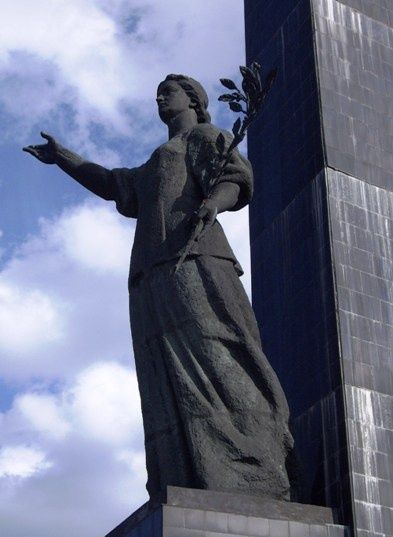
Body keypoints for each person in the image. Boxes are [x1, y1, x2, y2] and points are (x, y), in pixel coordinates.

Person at [24, 74, 293, 500]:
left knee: (218, 346)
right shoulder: (156, 160)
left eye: (168, 92)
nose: (159, 99)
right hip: (152, 271)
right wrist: (64, 158)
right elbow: (115, 185)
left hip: (197, 257)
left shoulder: (205, 136)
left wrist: (212, 202)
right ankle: (185, 474)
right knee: (162, 372)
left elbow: (233, 177)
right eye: (157, 95)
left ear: (194, 100)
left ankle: (251, 465)